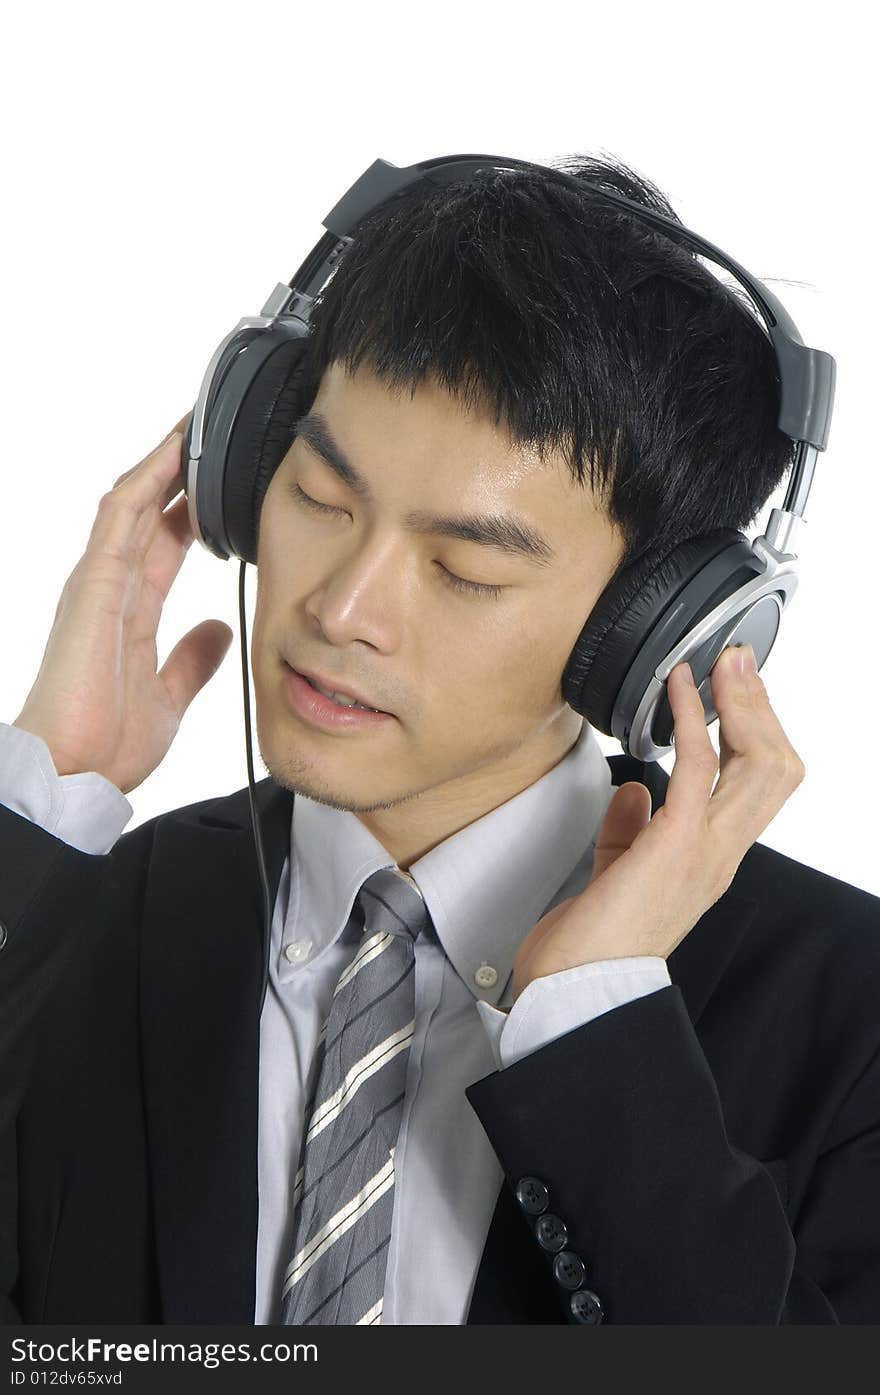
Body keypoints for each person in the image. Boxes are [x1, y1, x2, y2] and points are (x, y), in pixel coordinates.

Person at [1, 155, 878, 1327]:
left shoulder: (849, 1011)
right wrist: (38, 806)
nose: (339, 610)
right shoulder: (72, 915)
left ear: (654, 632)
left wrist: (595, 1033)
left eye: (464, 568)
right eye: (317, 499)